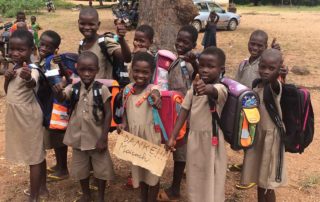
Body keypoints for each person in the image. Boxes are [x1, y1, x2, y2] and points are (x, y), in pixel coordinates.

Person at [167, 47, 228, 202]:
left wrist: (206, 88)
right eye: (202, 66)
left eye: (211, 66)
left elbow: (214, 91)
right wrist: (173, 136)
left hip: (212, 141)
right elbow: (184, 111)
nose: (205, 70)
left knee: (212, 175)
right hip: (194, 140)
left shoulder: (221, 88)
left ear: (222, 69)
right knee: (195, 174)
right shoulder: (192, 89)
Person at [53, 51, 115, 202]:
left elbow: (108, 113)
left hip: (97, 139)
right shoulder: (73, 88)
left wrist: (103, 137)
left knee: (101, 170)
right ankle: (86, 194)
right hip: (78, 138)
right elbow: (63, 97)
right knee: (81, 170)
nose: (87, 73)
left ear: (97, 69)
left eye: (91, 70)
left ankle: (100, 196)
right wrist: (58, 92)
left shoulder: (102, 89)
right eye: (82, 70)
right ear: (77, 69)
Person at [4, 29, 48, 201]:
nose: (15, 53)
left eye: (20, 50)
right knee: (37, 153)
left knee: (34, 157)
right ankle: (42, 188)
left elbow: (32, 83)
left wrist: (28, 77)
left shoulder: (32, 69)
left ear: (32, 50)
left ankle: (34, 197)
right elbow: (8, 92)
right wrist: (7, 79)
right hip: (18, 118)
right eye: (12, 49)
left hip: (29, 118)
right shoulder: (13, 67)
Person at [157, 25, 199, 202]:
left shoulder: (189, 63)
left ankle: (175, 190)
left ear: (193, 44)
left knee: (180, 151)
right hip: (175, 112)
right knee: (179, 149)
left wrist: (194, 63)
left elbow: (198, 79)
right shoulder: (176, 60)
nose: (180, 44)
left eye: (185, 42)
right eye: (179, 40)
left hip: (185, 115)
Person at [240, 49, 287, 202]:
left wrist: (280, 75)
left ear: (278, 69)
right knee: (259, 180)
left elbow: (275, 84)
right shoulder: (257, 84)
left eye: (271, 68)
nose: (266, 72)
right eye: (263, 67)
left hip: (270, 139)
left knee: (268, 183)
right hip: (257, 135)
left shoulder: (275, 87)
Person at [117, 51, 162, 202]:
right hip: (135, 139)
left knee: (153, 174)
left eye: (145, 72)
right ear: (131, 70)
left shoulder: (153, 89)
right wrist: (123, 124)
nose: (140, 75)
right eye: (136, 71)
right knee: (141, 173)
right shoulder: (128, 90)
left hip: (150, 139)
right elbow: (125, 112)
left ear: (151, 73)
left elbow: (157, 93)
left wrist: (156, 97)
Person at [37, 30, 69, 181]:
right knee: (55, 134)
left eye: (48, 47)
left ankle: (63, 168)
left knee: (57, 135)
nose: (43, 48)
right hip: (48, 104)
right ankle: (59, 165)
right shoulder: (43, 60)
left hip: (54, 104)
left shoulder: (51, 62)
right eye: (42, 44)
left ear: (55, 49)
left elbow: (56, 82)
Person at [77, 7, 131, 80]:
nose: (86, 27)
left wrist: (121, 39)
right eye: (82, 24)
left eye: (91, 24)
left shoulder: (105, 42)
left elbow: (127, 58)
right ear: (78, 23)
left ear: (98, 24)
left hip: (104, 89)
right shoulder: (82, 44)